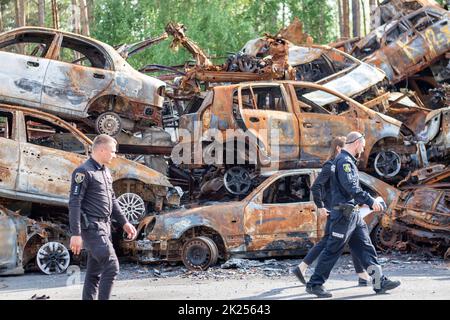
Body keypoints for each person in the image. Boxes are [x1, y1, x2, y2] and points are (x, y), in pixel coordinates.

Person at [305, 132, 401, 298]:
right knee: (333, 249)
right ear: (356, 143)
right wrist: (371, 201)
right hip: (344, 214)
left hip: (353, 214)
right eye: (363, 145)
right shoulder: (344, 162)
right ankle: (315, 284)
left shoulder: (345, 161)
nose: (363, 149)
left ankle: (379, 282)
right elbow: (352, 188)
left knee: (366, 248)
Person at [292, 136, 371, 286]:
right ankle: (311, 277)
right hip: (336, 210)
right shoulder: (333, 165)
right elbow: (316, 187)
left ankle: (362, 275)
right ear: (339, 149)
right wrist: (320, 206)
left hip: (340, 210)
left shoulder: (338, 164)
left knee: (353, 239)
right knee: (334, 243)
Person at [69, 134, 137, 300]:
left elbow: (112, 200)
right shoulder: (83, 172)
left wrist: (124, 222)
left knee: (94, 274)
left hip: (104, 228)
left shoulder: (105, 171)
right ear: (101, 149)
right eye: (113, 151)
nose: (114, 155)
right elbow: (74, 203)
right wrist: (76, 234)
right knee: (112, 266)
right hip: (92, 229)